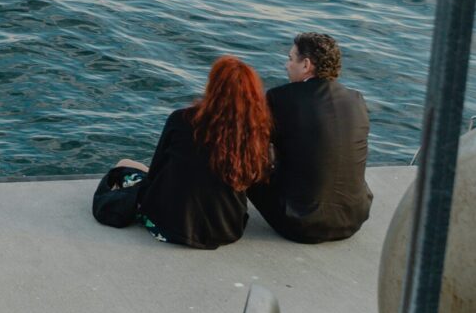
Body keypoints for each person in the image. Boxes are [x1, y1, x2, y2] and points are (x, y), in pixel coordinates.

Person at [92, 56, 271, 250]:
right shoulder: (256, 131)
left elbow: (156, 172)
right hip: (226, 229)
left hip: (168, 226)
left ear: (213, 87)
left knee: (124, 164)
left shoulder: (181, 119)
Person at [248, 31, 373, 244]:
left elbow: (253, 149)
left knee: (243, 156)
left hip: (301, 224)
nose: (286, 65)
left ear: (306, 65)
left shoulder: (281, 98)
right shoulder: (356, 99)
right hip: (353, 218)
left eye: (290, 59)